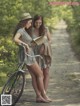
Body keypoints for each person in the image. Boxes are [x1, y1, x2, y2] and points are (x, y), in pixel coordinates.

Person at [13, 13, 51, 103]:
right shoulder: (21, 30)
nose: (31, 24)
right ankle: (43, 95)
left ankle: (39, 96)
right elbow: (15, 39)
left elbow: (22, 42)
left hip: (30, 54)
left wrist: (36, 42)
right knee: (40, 74)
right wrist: (25, 44)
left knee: (35, 75)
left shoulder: (24, 30)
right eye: (30, 22)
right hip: (28, 56)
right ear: (25, 22)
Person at [31, 15, 52, 92]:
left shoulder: (45, 29)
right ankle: (39, 94)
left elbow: (50, 40)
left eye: (40, 22)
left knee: (46, 72)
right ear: (33, 21)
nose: (38, 24)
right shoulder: (31, 30)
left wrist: (44, 45)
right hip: (35, 53)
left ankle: (44, 93)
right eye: (36, 22)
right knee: (39, 74)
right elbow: (29, 42)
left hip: (45, 53)